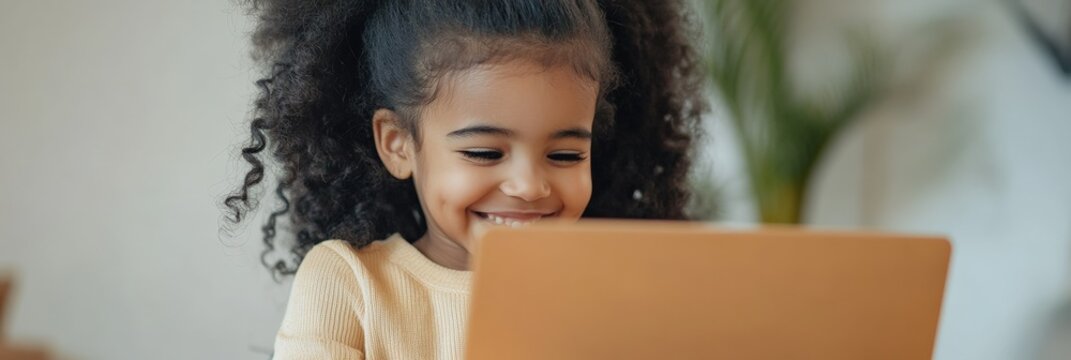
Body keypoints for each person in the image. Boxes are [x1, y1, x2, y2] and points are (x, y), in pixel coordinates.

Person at [223, 0, 706, 358]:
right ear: (398, 143)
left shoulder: (612, 295)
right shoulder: (352, 286)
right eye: (484, 152)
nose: (529, 185)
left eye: (564, 154)